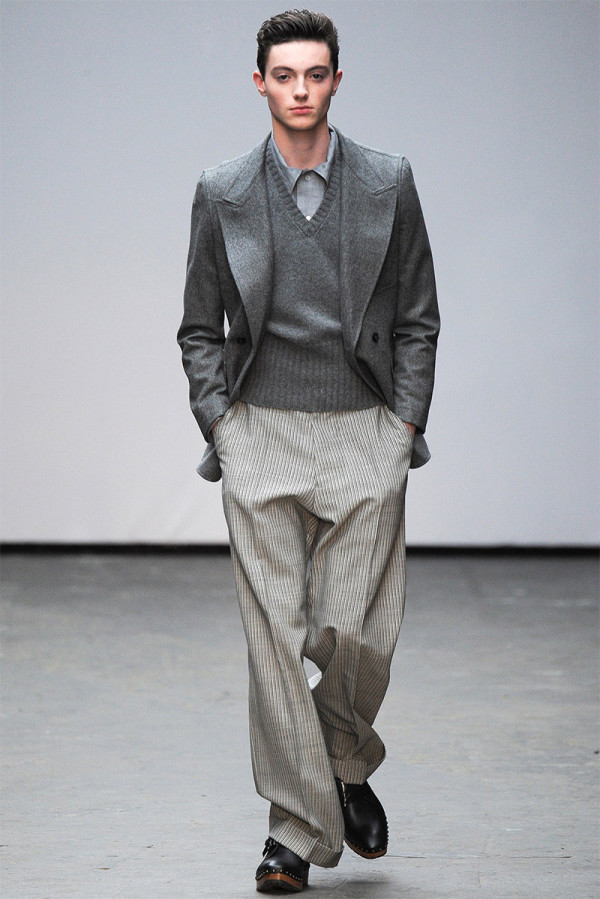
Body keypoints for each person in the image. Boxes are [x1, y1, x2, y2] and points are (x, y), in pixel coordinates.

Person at [178, 9, 439, 893]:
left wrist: (404, 425)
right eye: (284, 75)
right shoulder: (222, 190)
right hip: (260, 430)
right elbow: (198, 326)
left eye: (315, 74)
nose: (300, 90)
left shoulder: (388, 182)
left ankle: (344, 760)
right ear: (260, 83)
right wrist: (223, 424)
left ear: (335, 80)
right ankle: (293, 830)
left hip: (365, 427)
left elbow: (417, 315)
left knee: (357, 632)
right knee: (275, 641)